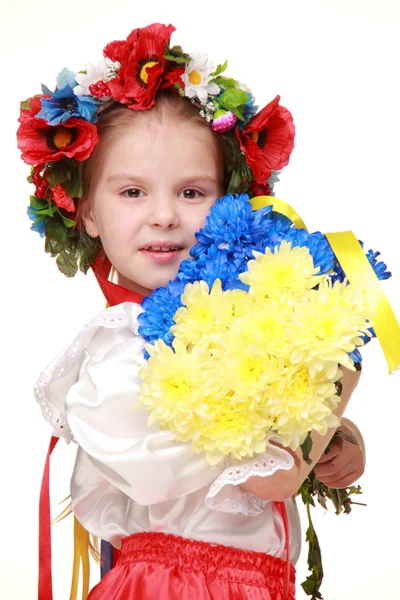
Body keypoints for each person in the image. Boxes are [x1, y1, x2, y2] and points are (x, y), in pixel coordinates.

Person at [19, 23, 366, 600]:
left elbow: (269, 434)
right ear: (85, 213)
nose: (164, 216)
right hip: (175, 586)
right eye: (133, 192)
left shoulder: (235, 325)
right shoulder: (118, 352)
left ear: (234, 203)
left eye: (191, 192)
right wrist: (338, 369)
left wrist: (338, 439)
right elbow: (277, 471)